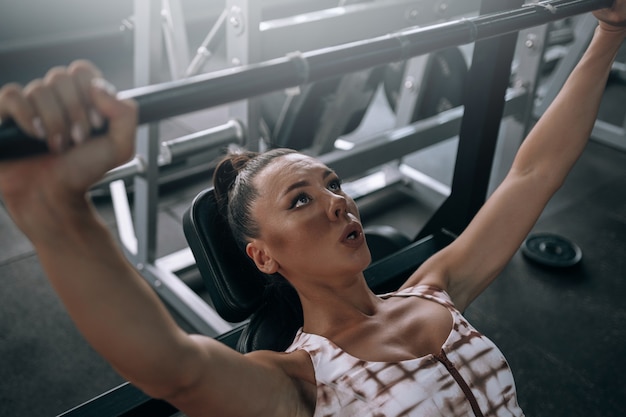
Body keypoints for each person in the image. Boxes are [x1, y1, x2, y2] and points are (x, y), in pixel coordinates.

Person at [0, 2, 624, 416]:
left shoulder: (436, 289)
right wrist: (56, 212)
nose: (337, 203)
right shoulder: (299, 381)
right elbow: (175, 369)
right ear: (262, 256)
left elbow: (532, 173)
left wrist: (610, 31)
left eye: (332, 185)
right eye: (302, 199)